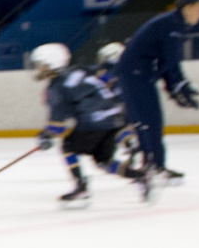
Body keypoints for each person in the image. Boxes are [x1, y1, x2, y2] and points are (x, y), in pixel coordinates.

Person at [114, 0, 199, 180]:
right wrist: (179, 87)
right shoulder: (172, 26)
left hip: (141, 75)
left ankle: (155, 165)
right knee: (148, 121)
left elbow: (166, 64)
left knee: (152, 120)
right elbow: (171, 63)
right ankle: (152, 166)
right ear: (187, 8)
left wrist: (177, 87)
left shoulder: (174, 24)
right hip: (134, 75)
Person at [29, 42, 133, 205]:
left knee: (68, 146)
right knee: (103, 161)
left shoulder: (56, 87)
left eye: (41, 65)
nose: (38, 69)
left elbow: (57, 125)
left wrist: (45, 136)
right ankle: (141, 176)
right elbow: (107, 77)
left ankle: (80, 186)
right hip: (113, 120)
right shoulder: (81, 69)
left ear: (51, 64)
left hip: (92, 124)